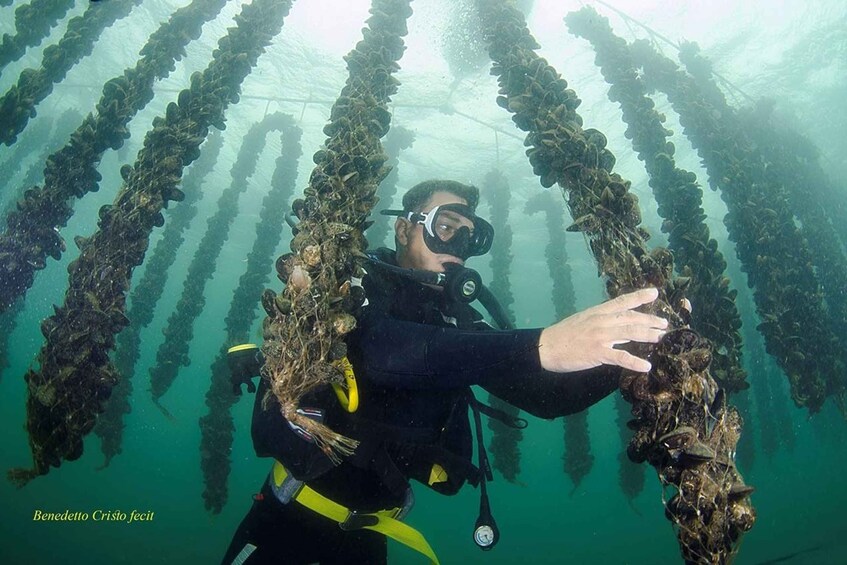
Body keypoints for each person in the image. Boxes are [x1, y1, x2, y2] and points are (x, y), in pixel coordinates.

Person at [221, 180, 669, 565]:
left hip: (371, 539)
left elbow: (549, 398)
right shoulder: (353, 291)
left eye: (468, 239)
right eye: (445, 228)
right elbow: (389, 352)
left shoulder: (457, 325)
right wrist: (544, 344)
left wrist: (638, 350)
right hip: (286, 521)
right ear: (402, 228)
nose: (456, 248)